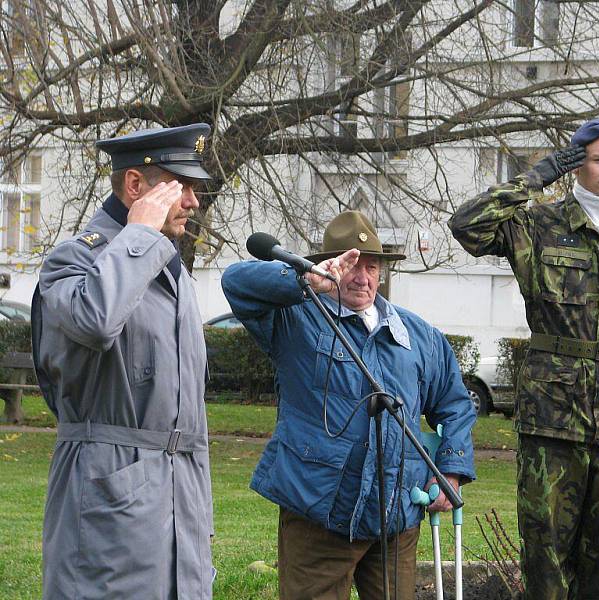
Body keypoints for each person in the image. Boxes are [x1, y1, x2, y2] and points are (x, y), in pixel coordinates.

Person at [449, 117, 599, 600]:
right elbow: (466, 224)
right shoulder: (538, 226)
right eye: (598, 159)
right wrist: (535, 178)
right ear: (576, 164)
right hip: (552, 422)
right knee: (545, 559)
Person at [221, 210, 476, 599]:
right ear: (330, 266)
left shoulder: (418, 334)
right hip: (318, 513)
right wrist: (304, 279)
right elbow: (236, 283)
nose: (363, 276)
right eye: (352, 265)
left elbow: (456, 405)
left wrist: (451, 471)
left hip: (396, 518)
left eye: (372, 265)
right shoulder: (296, 318)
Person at [32, 124, 215, 599]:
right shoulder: (72, 261)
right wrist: (137, 234)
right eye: (182, 186)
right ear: (136, 186)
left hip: (183, 509)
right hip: (109, 506)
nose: (193, 202)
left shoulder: (172, 271)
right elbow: (95, 319)